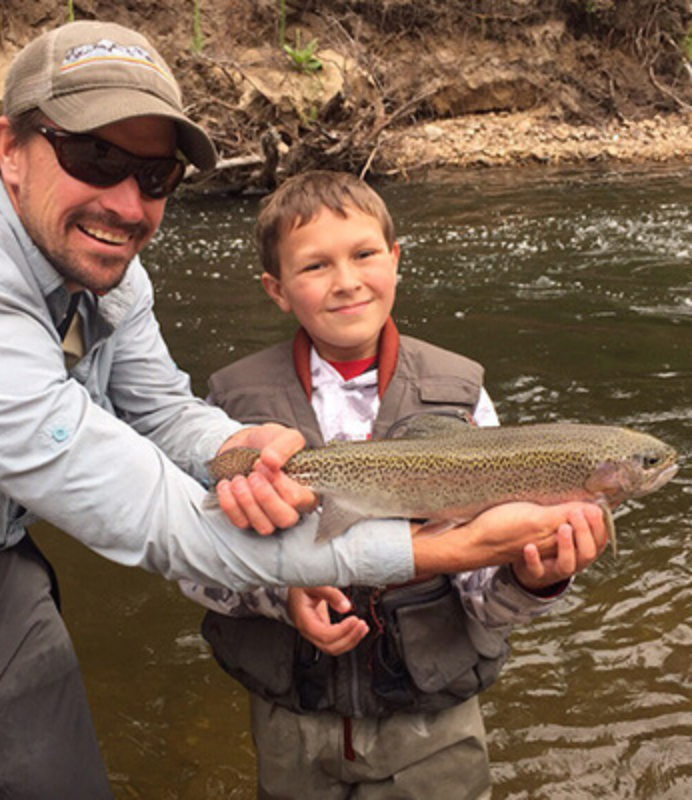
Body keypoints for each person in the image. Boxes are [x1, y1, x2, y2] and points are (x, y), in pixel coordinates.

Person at [181, 171, 609, 800]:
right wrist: (281, 594)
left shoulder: (463, 397)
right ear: (276, 289)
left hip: (433, 722)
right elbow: (192, 563)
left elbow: (483, 598)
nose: (347, 281)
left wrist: (535, 579)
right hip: (292, 723)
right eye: (316, 266)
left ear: (397, 260)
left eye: (364, 255)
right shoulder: (228, 412)